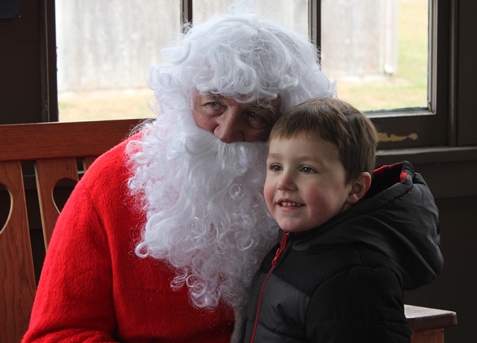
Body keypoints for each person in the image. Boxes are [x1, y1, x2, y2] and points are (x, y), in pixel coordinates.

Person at [21, 11, 335, 343]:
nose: (226, 133)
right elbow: (58, 333)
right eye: (213, 105)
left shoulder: (312, 190)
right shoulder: (110, 182)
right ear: (185, 97)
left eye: (255, 115)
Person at [242, 97, 443, 342]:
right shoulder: (294, 247)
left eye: (306, 169)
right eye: (275, 167)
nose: (283, 183)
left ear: (355, 188)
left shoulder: (355, 279)